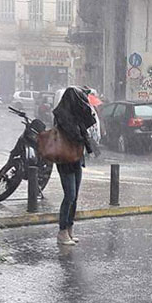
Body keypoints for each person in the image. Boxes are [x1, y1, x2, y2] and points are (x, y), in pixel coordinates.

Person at [52, 86, 96, 246]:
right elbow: (74, 135)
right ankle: (62, 231)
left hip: (76, 158)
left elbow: (86, 127)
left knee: (75, 196)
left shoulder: (76, 116)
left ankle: (69, 228)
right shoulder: (63, 116)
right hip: (65, 160)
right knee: (69, 195)